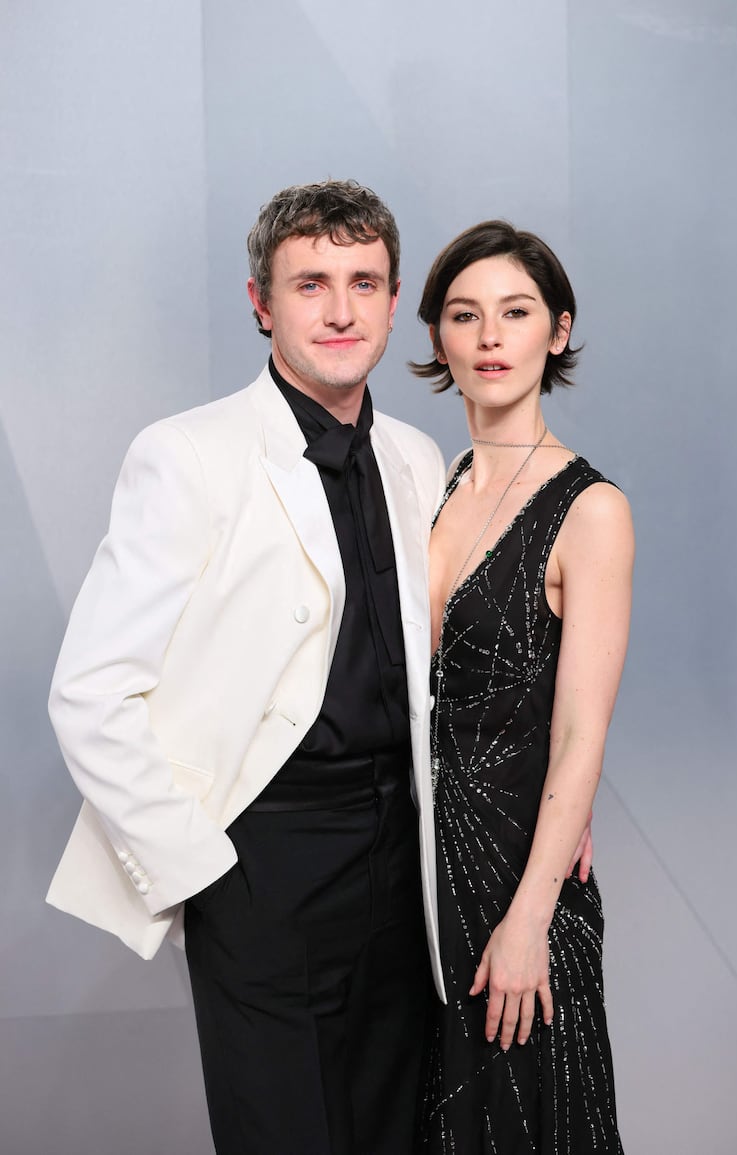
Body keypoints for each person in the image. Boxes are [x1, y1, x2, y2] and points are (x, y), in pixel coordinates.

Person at [45, 179, 449, 1155]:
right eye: (311, 283)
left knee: (400, 1126)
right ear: (260, 303)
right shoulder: (186, 455)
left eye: (364, 282)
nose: (342, 309)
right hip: (266, 857)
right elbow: (90, 693)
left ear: (395, 302)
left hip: (406, 855)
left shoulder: (416, 454)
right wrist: (206, 875)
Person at [411, 220, 634, 1152]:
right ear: (437, 341)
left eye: (516, 312)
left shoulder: (592, 510)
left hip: (516, 879)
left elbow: (582, 733)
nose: (490, 337)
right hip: (414, 870)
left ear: (558, 329)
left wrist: (532, 915)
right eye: (466, 315)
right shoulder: (420, 478)